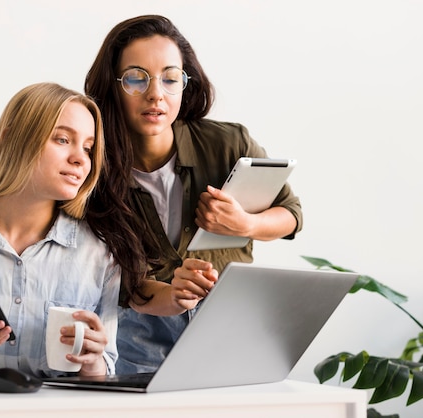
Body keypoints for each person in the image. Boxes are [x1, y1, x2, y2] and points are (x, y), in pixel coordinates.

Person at [0, 82, 212, 382]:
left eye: (89, 148)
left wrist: (92, 361)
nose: (81, 159)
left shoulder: (100, 251)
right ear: (12, 139)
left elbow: (103, 367)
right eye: (63, 139)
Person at [85, 15, 304, 374]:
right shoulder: (92, 166)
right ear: (113, 85)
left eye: (170, 79)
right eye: (137, 78)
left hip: (229, 325)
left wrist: (244, 223)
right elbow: (103, 277)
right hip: (138, 334)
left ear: (186, 84)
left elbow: (292, 214)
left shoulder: (228, 143)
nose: (156, 93)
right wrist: (170, 295)